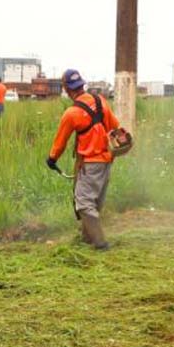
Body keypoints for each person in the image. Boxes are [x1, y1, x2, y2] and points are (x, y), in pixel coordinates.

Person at [46, 69, 120, 250]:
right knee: (95, 201)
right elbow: (115, 127)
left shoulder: (71, 113)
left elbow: (60, 143)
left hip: (90, 163)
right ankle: (87, 238)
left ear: (67, 89)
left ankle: (101, 244)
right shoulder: (100, 101)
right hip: (106, 161)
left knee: (84, 204)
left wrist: (52, 159)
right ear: (81, 85)